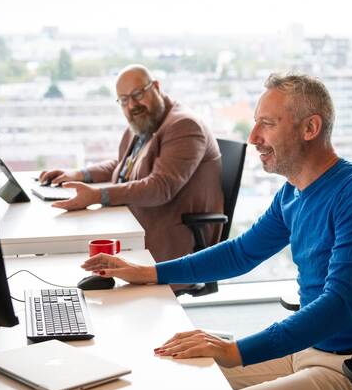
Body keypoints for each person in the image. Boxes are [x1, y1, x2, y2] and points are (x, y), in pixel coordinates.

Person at [81, 73, 352, 390]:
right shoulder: (292, 192)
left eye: (267, 124)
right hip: (307, 345)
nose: (253, 136)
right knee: (171, 372)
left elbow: (341, 306)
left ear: (310, 128)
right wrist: (150, 273)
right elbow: (240, 253)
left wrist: (233, 351)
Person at [39, 65, 224, 265]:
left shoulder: (184, 126)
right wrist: (78, 174)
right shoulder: (146, 121)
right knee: (66, 241)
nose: (132, 105)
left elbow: (160, 187)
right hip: (136, 223)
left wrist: (97, 196)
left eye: (137, 94)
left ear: (156, 86)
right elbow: (122, 166)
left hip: (172, 240)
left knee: (68, 249)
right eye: (124, 100)